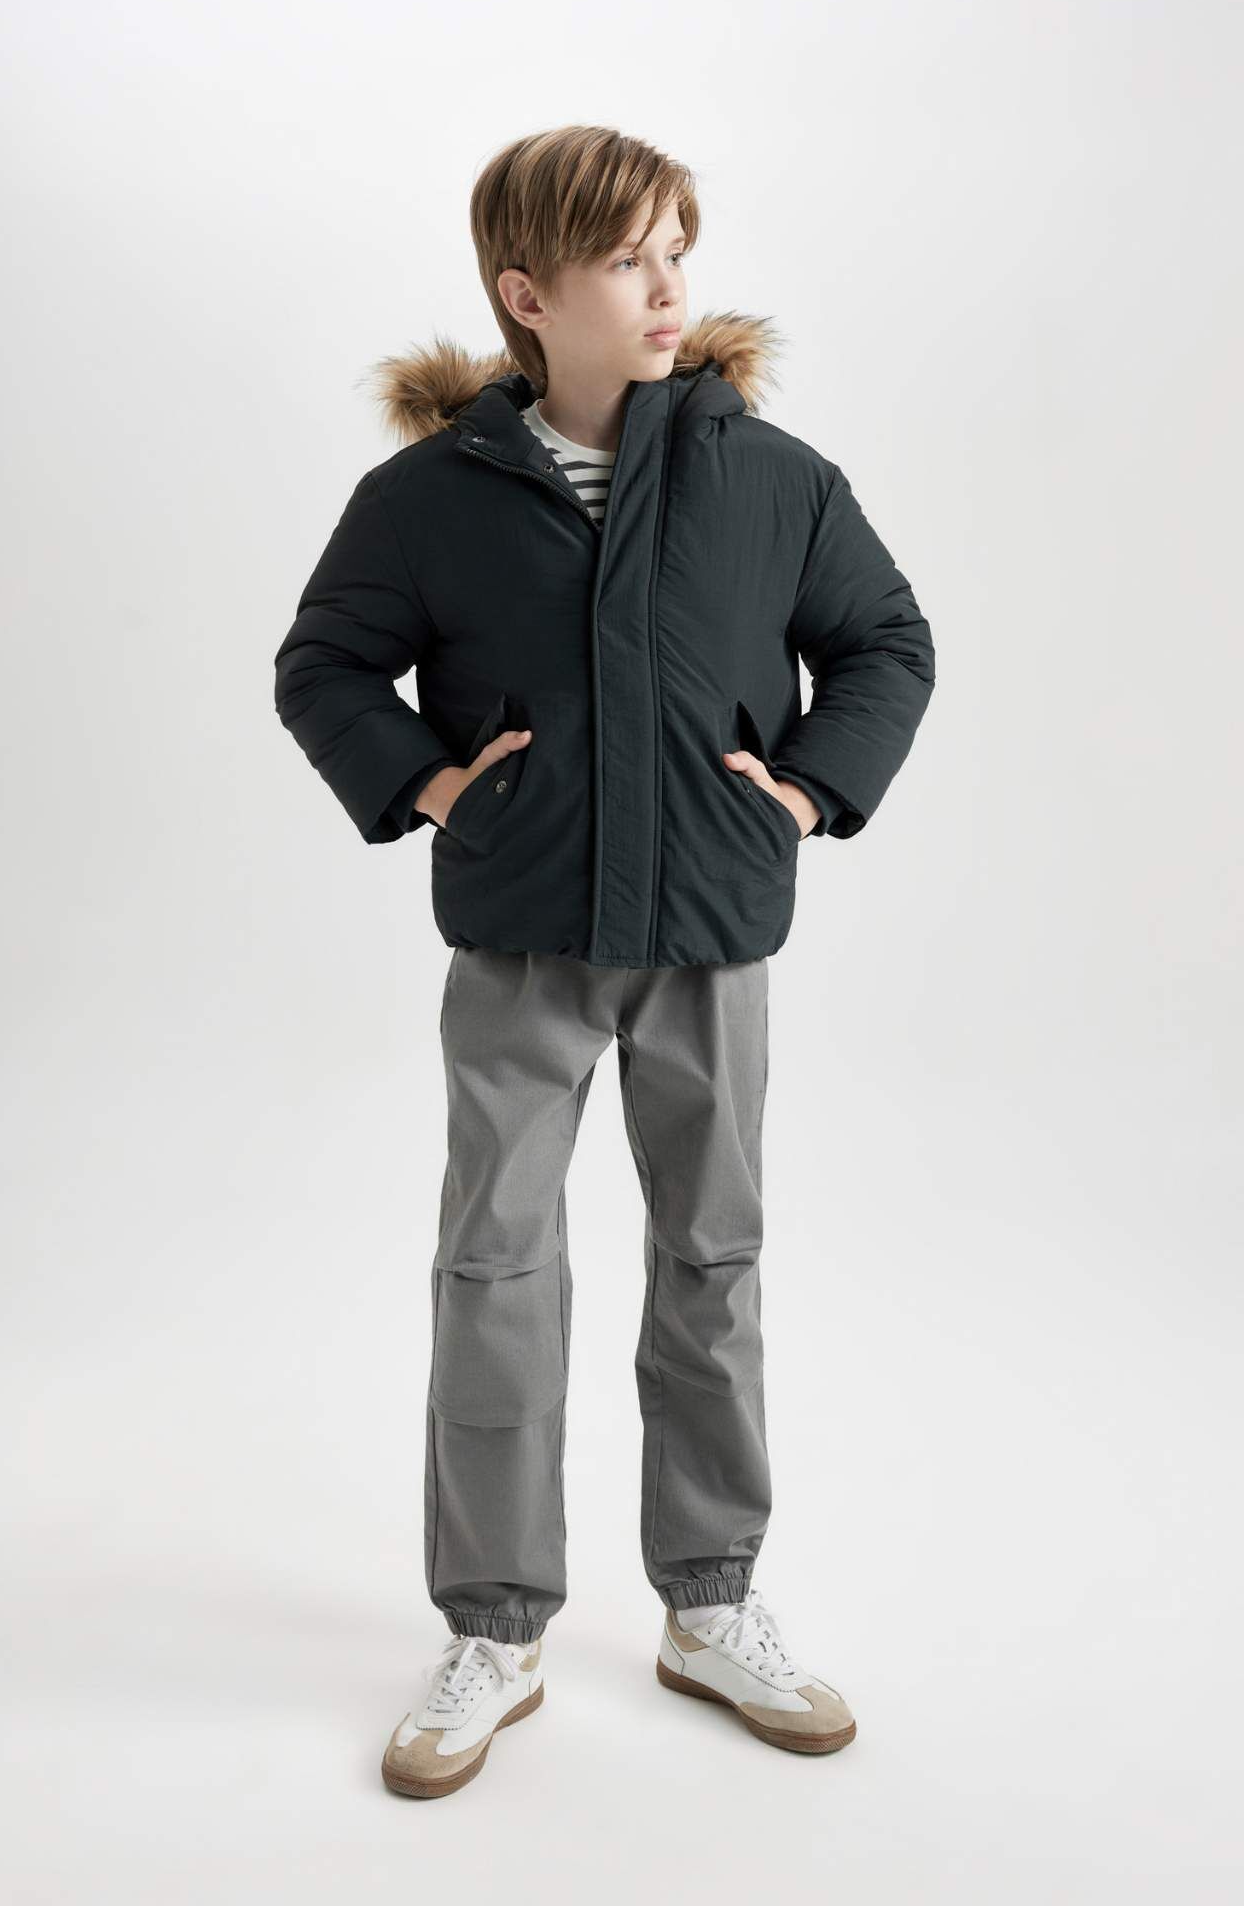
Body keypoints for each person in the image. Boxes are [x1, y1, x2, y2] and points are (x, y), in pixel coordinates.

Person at [273, 124, 936, 1800]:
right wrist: (433, 786)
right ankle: (495, 1628)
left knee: (713, 1258)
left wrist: (808, 791)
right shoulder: (428, 501)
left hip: (711, 928)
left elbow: (884, 640)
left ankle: (710, 1604)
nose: (666, 287)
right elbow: (325, 663)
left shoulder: (769, 478)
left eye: (676, 251)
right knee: (495, 1269)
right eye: (626, 258)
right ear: (528, 294)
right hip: (522, 936)